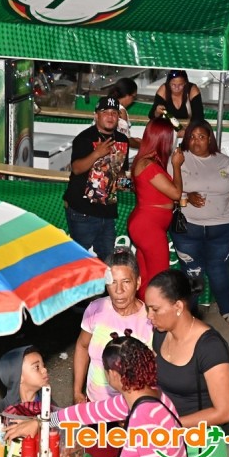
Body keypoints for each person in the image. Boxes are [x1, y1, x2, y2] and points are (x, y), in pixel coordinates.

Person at [9, 333, 188, 457]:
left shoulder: (144, 418)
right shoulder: (145, 395)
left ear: (114, 375)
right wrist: (41, 421)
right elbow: (85, 412)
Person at [171, 120, 229, 327]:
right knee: (192, 273)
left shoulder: (226, 163)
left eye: (201, 137)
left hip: (222, 228)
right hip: (188, 228)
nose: (196, 141)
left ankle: (227, 311)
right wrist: (186, 195)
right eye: (192, 137)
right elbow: (168, 188)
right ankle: (190, 317)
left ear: (210, 139)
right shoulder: (178, 159)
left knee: (218, 269)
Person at [147, 270, 229, 428]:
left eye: (155, 309)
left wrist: (170, 425)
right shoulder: (160, 334)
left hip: (201, 436)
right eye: (148, 309)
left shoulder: (210, 347)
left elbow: (226, 412)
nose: (149, 316)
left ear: (178, 306)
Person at [73, 249, 153, 403]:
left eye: (126, 282)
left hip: (132, 408)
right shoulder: (96, 309)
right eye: (112, 282)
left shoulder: (150, 320)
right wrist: (77, 392)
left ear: (138, 282)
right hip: (94, 405)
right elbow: (82, 346)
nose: (119, 290)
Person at [63, 96, 129, 264]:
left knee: (108, 262)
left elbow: (120, 172)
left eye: (114, 113)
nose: (110, 116)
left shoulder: (122, 141)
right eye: (105, 112)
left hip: (108, 212)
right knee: (78, 261)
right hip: (82, 212)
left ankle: (104, 284)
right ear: (96, 115)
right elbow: (76, 169)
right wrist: (97, 154)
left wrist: (128, 185)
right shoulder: (84, 138)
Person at [128, 118, 184, 298]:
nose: (174, 140)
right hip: (148, 226)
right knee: (160, 279)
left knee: (146, 278)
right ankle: (155, 314)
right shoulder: (148, 165)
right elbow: (176, 193)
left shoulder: (148, 161)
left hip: (148, 223)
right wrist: (176, 165)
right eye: (172, 137)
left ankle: (144, 313)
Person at [0, 345, 50, 412]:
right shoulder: (3, 411)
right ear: (18, 376)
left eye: (43, 365)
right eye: (37, 367)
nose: (44, 370)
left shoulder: (48, 403)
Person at [106, 77, 141, 148]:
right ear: (127, 95)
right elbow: (123, 140)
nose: (133, 100)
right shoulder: (121, 111)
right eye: (134, 97)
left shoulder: (104, 104)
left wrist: (132, 139)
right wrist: (142, 145)